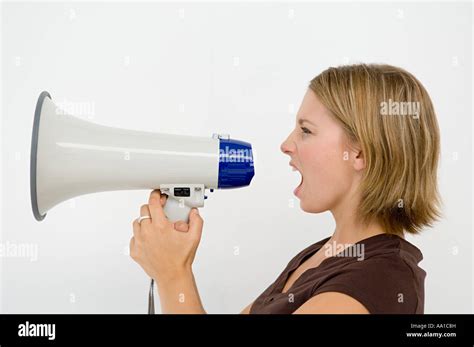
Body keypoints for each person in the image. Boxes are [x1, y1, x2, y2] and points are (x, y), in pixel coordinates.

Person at [129, 64, 441, 314]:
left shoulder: (378, 281)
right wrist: (170, 267)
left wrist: (173, 275)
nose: (286, 145)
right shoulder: (320, 257)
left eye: (306, 131)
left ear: (360, 153)